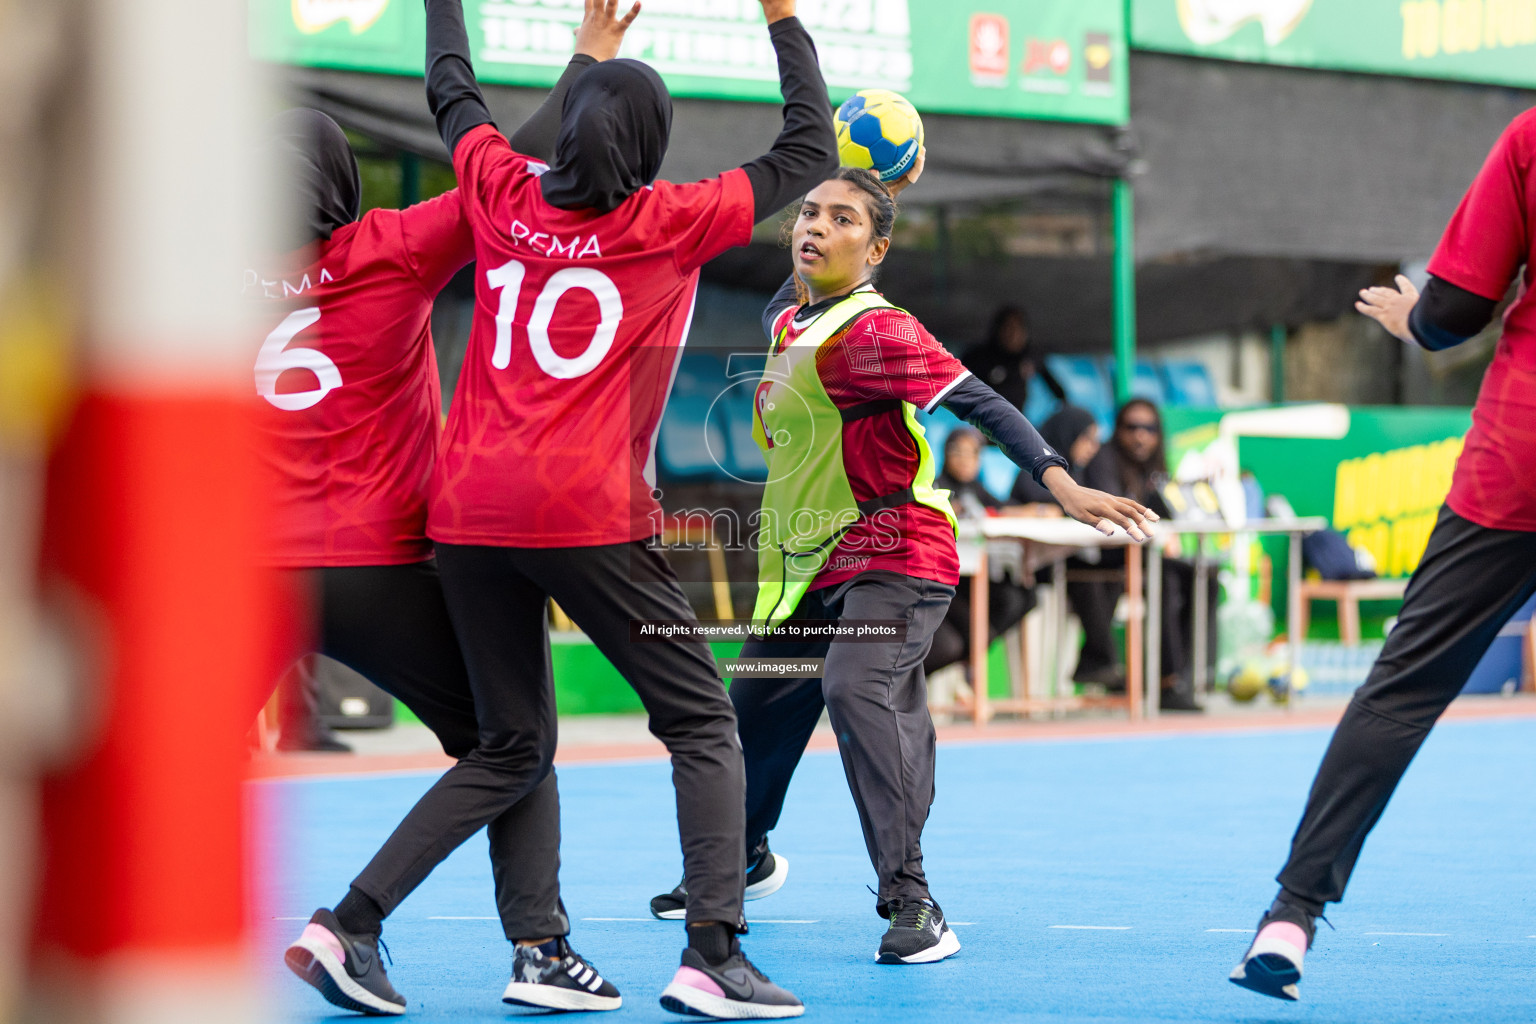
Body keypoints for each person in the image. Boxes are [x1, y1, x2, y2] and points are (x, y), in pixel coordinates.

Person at [324, 0, 842, 1017]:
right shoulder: (671, 218)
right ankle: (712, 954)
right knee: (701, 721)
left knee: (511, 742)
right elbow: (809, 144)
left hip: (467, 516)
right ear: (650, 148)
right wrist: (783, 15)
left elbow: (451, 87)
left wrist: (556, 46)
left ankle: (363, 922)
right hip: (586, 514)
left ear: (563, 128)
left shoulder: (499, 188)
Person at [649, 156, 1157, 964]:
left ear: (878, 250)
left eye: (842, 219)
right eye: (810, 213)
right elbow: (802, 279)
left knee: (858, 687)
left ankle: (914, 903)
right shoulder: (793, 319)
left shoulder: (878, 330)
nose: (815, 225)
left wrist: (1061, 482)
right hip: (815, 562)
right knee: (750, 708)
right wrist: (871, 188)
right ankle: (742, 858)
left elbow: (980, 402)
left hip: (898, 549)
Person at [275, 5, 641, 1015]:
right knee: (515, 737)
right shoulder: (389, 248)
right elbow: (506, 167)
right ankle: (510, 942)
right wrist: (588, 63)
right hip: (377, 560)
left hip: (246, 573)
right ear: (340, 182)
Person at [1230, 107, 1536, 1003]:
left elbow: (1456, 312)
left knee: (1401, 691)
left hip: (1518, 463)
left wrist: (1415, 319)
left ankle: (1290, 917)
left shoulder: (1529, 138)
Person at [1074, 400, 1207, 710]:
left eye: (1148, 428)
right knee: (1167, 577)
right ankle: (1167, 681)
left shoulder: (1155, 466)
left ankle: (1192, 674)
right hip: (1104, 554)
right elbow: (1113, 516)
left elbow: (1167, 514)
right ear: (1118, 430)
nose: (1140, 436)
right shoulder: (1103, 460)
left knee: (1203, 579)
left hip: (1140, 554)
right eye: (1132, 427)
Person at [921, 428, 1037, 675]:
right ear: (945, 455)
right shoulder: (935, 488)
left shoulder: (976, 488)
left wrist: (1037, 510)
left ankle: (968, 660)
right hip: (945, 582)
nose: (965, 459)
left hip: (976, 578)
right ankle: (966, 663)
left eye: (972, 454)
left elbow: (1002, 509)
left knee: (1024, 596)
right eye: (958, 452)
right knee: (970, 638)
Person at [961, 305, 1064, 410]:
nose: (1013, 336)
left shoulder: (1029, 358)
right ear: (997, 331)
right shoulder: (978, 358)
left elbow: (1058, 392)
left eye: (1018, 329)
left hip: (1016, 421)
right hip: (983, 419)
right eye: (1008, 329)